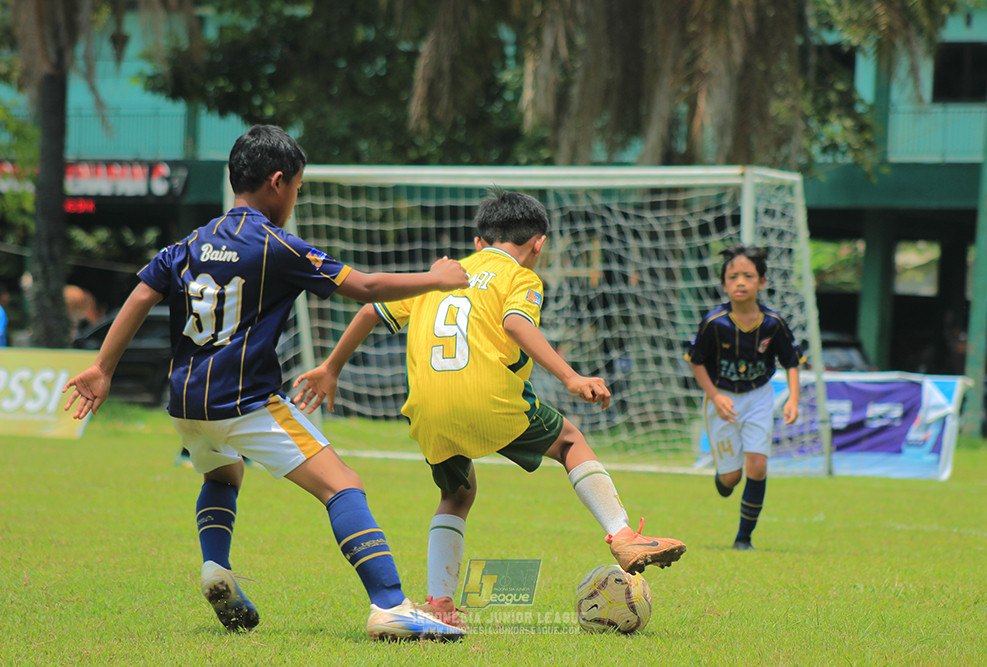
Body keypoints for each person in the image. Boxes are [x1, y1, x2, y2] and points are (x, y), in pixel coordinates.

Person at [62, 125, 469, 641]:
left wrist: (103, 367)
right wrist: (437, 278)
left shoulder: (188, 244)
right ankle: (390, 605)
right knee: (343, 486)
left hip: (187, 405)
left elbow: (142, 294)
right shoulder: (279, 245)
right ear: (277, 182)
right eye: (297, 187)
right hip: (247, 403)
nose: (295, 199)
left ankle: (216, 568)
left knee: (221, 477)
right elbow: (364, 287)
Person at [292, 187, 687, 627]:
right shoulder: (520, 276)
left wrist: (330, 367)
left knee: (456, 494)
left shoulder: (441, 274)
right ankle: (623, 535)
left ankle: (440, 604)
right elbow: (515, 322)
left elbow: (369, 311)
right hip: (490, 399)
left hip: (427, 407)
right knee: (570, 441)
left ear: (479, 241)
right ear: (538, 243)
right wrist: (571, 377)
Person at [686, 244, 802, 551]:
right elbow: (696, 362)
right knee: (731, 479)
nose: (740, 282)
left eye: (748, 276)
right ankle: (723, 477)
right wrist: (714, 396)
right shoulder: (715, 322)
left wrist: (793, 399)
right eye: (733, 276)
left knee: (758, 467)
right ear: (724, 284)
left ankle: (743, 539)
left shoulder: (773, 323)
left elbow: (791, 362)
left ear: (762, 282)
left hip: (760, 397)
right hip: (722, 399)